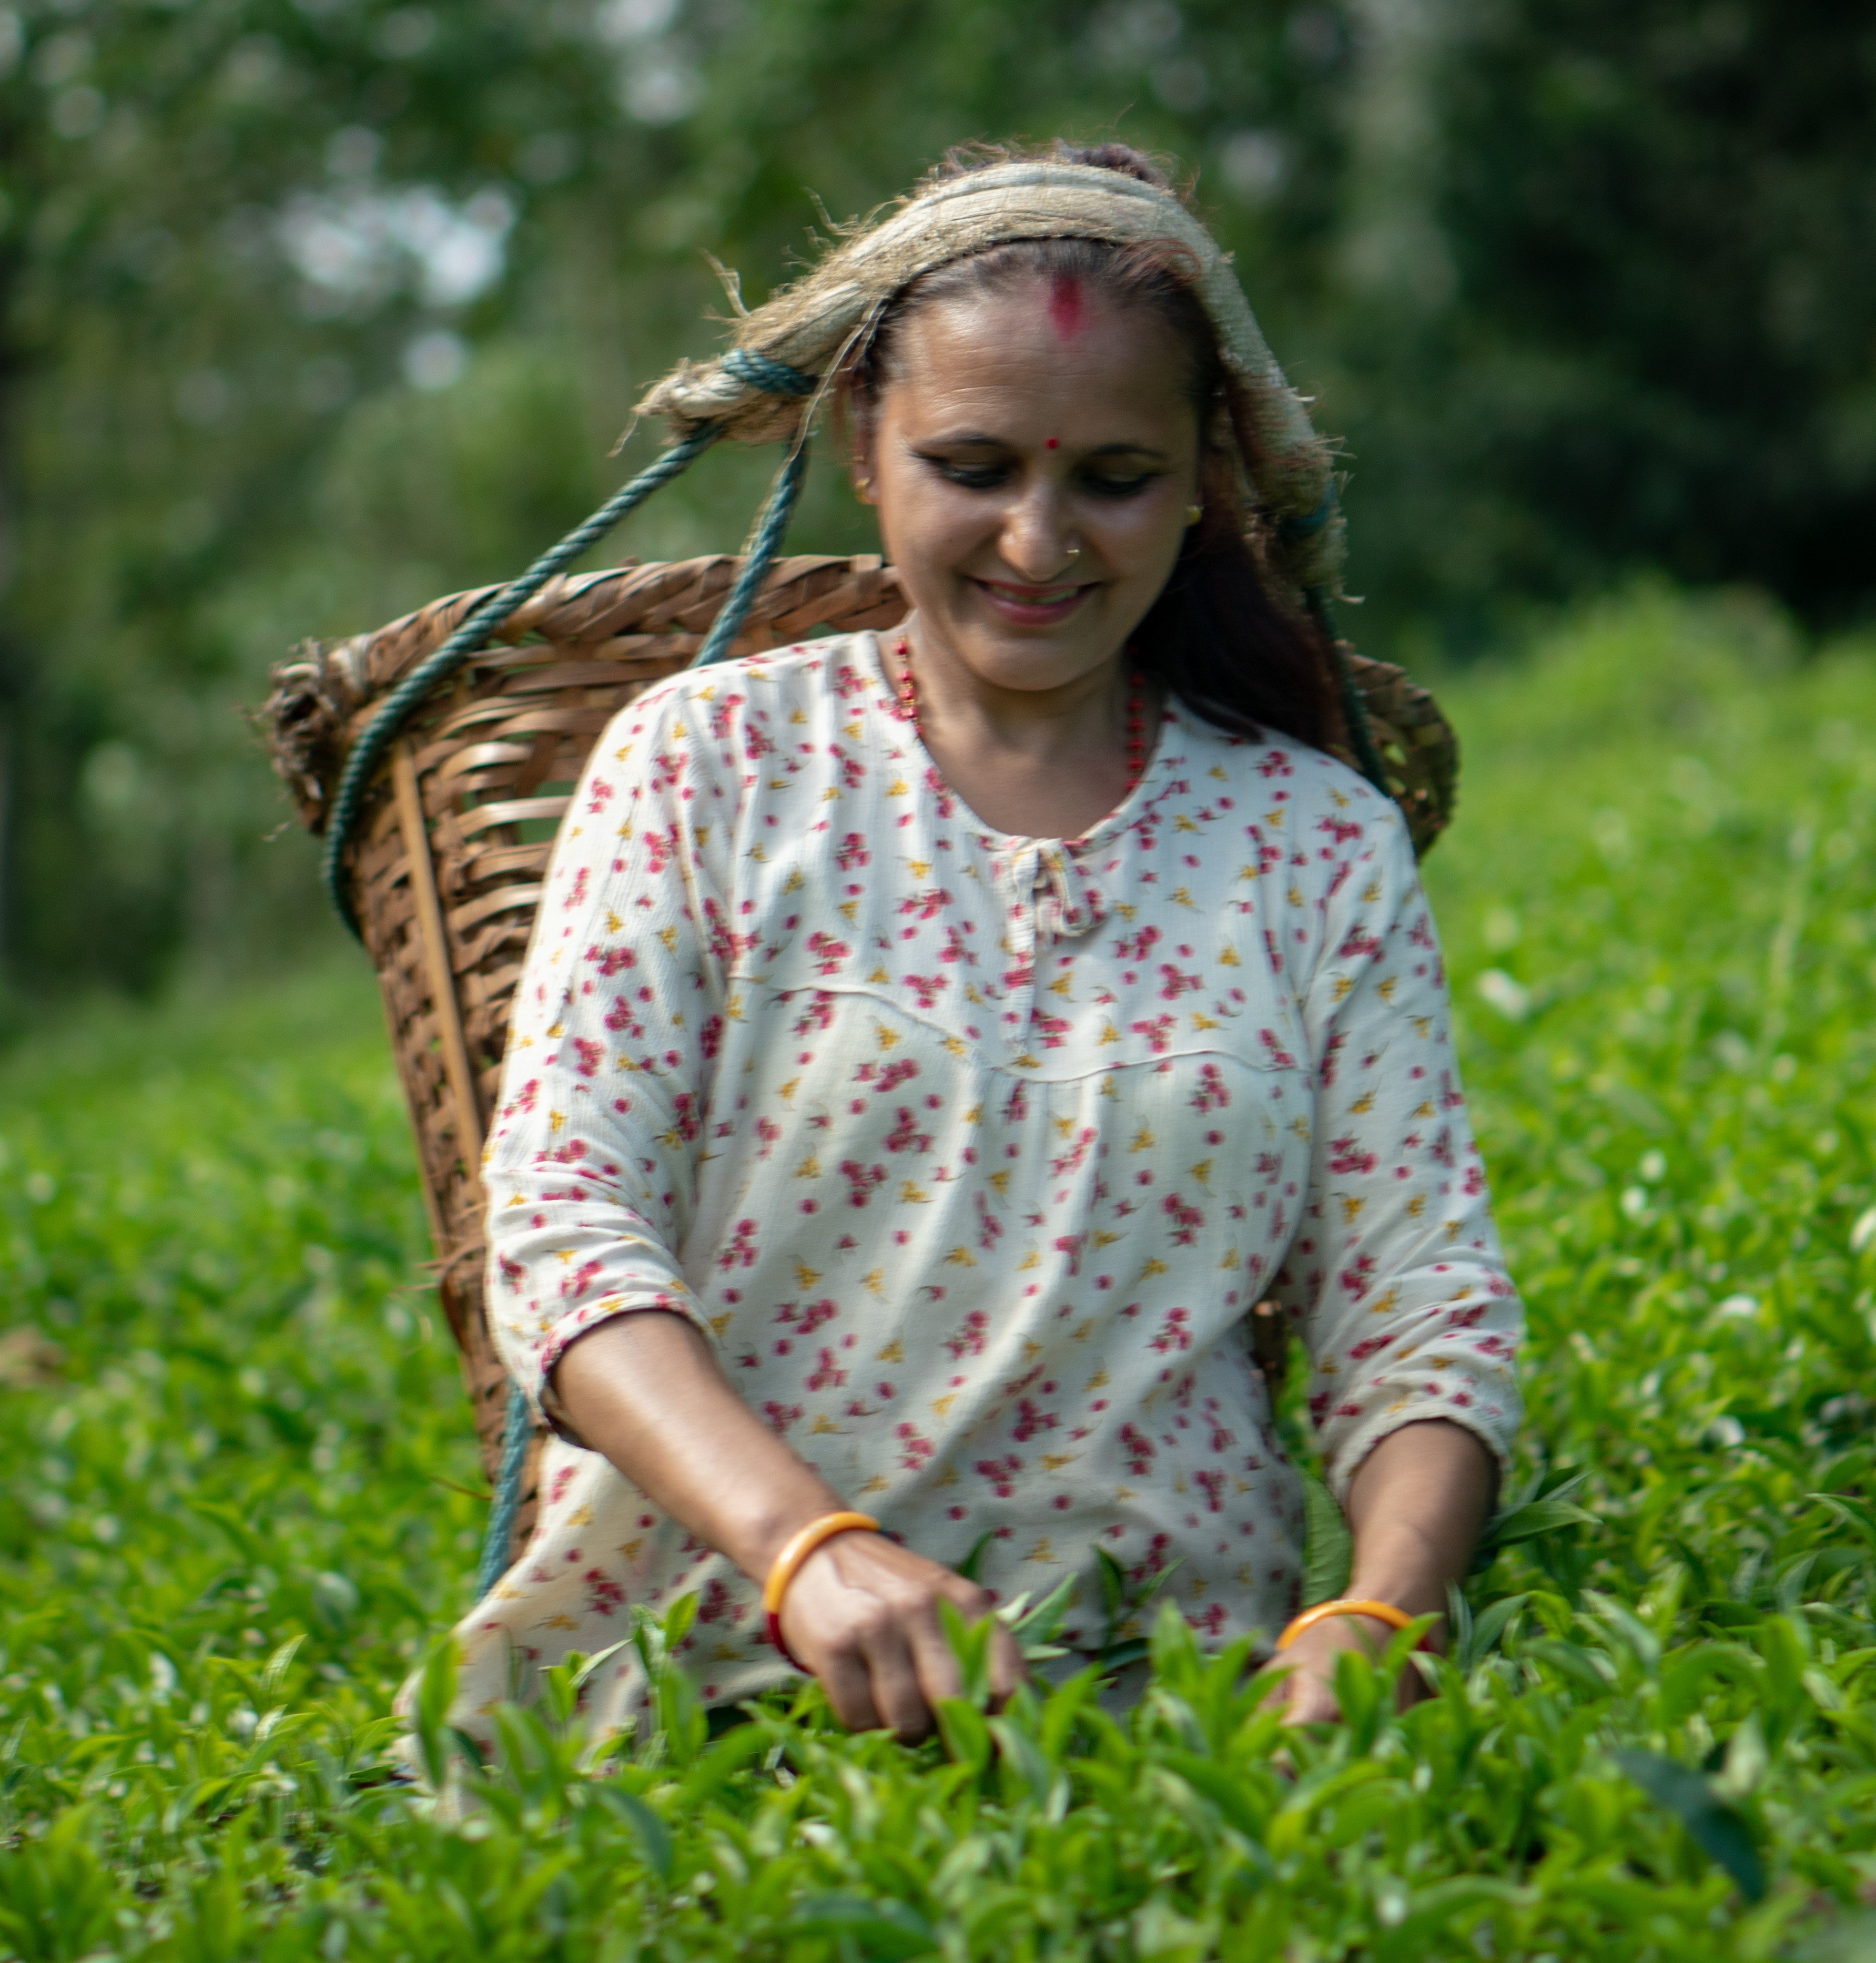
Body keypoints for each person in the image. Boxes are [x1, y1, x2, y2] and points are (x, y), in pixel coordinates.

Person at [421, 141, 1524, 1748]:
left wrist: (1375, 1613)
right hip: (689, 1682)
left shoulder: (1311, 842)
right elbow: (561, 1234)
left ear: (1202, 481)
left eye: (1114, 479)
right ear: (864, 451)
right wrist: (814, 1553)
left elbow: (1418, 1309)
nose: (1037, 540)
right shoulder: (709, 766)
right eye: (974, 465)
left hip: (1180, 1712)